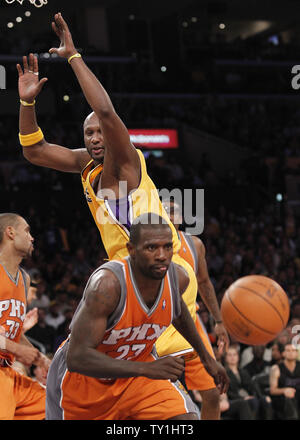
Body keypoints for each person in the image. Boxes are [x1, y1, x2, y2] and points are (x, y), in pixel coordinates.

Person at [18, 12, 216, 411]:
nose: (95, 137)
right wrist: (26, 102)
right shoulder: (87, 165)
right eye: (87, 133)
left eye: (99, 132)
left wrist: (74, 58)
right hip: (132, 274)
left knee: (84, 358)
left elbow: (107, 114)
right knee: (109, 358)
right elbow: (33, 150)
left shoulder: (126, 160)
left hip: (163, 267)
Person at [45, 214, 229, 420]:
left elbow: (177, 311)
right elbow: (77, 357)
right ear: (131, 250)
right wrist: (147, 368)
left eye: (167, 247)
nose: (162, 255)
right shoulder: (107, 285)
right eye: (152, 248)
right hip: (86, 381)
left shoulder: (177, 278)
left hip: (136, 375)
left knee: (184, 419)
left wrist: (207, 358)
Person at [159, 198, 230, 419]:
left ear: (181, 218)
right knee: (161, 397)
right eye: (166, 211)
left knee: (212, 392)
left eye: (175, 211)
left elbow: (205, 283)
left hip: (190, 322)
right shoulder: (150, 246)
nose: (171, 215)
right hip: (158, 327)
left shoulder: (194, 245)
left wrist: (218, 321)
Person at [0, 213, 50, 419]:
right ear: (10, 232)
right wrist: (16, 349)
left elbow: (13, 333)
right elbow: (12, 344)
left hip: (8, 372)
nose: (32, 237)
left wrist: (43, 360)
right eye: (27, 231)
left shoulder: (24, 279)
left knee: (56, 405)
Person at [225, 345, 273, 420]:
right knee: (253, 401)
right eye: (229, 355)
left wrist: (261, 396)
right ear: (226, 358)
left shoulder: (243, 371)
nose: (232, 357)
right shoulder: (224, 373)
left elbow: (252, 386)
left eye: (234, 354)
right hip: (235, 399)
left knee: (265, 400)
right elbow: (228, 392)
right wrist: (244, 398)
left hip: (249, 396)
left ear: (238, 357)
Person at [270, 343, 300, 419]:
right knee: (290, 397)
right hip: (283, 398)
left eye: (293, 350)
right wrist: (285, 390)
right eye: (288, 350)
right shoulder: (276, 368)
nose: (291, 353)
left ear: (297, 353)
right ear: (283, 353)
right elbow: (273, 390)